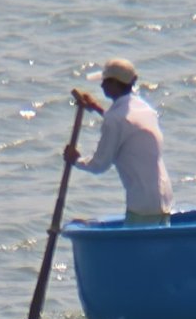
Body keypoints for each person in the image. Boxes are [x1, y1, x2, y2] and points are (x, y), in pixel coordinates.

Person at [64, 58, 173, 225]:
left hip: (142, 204)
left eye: (105, 82)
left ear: (115, 84)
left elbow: (99, 165)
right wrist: (97, 108)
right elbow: (125, 125)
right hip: (164, 196)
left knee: (137, 242)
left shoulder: (115, 120)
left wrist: (75, 160)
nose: (101, 86)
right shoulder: (144, 109)